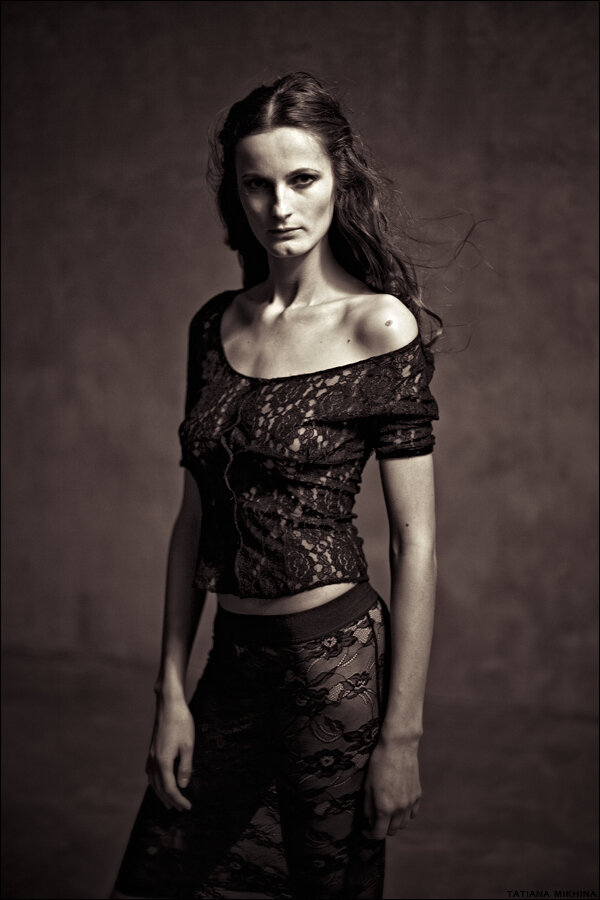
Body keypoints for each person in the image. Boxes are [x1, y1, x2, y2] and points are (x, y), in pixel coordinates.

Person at [111, 71, 440, 900]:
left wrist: (401, 735)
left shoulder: (380, 325)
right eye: (257, 184)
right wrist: (171, 692)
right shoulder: (213, 324)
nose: (280, 206)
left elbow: (416, 542)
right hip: (233, 655)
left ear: (339, 179)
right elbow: (192, 522)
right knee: (160, 878)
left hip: (334, 665)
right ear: (237, 193)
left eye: (301, 179)